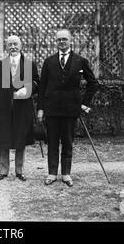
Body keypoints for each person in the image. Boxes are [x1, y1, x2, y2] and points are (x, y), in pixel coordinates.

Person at [37, 29, 98, 187]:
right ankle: (51, 173)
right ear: (55, 42)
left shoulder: (80, 61)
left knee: (68, 142)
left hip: (71, 109)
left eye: (64, 39)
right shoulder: (49, 62)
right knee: (52, 141)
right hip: (52, 109)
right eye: (59, 40)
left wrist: (84, 103)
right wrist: (41, 108)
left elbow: (93, 83)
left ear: (70, 40)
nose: (62, 42)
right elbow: (42, 87)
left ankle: (65, 174)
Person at [0, 35, 39, 181]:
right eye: (10, 44)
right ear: (6, 47)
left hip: (22, 107)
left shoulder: (30, 64)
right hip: (4, 108)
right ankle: (3, 170)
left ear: (21, 45)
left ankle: (19, 170)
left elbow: (37, 83)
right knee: (4, 138)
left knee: (20, 138)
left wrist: (28, 89)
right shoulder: (1, 64)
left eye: (15, 44)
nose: (13, 47)